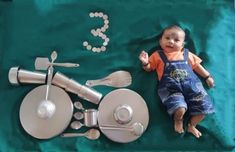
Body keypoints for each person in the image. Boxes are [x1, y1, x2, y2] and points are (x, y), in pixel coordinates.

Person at [139, 25, 215, 138]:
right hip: (171, 89)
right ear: (160, 41)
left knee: (203, 108)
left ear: (182, 45)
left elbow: (197, 66)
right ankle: (178, 120)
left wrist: (207, 76)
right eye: (167, 38)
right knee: (180, 108)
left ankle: (191, 125)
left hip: (193, 87)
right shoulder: (158, 55)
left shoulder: (187, 54)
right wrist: (145, 62)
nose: (171, 42)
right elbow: (149, 68)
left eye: (176, 40)